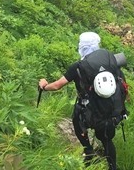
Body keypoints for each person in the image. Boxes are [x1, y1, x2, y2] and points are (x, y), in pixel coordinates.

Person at [39, 32, 123, 170]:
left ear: (81, 46)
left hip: (87, 111)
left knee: (77, 124)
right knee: (107, 140)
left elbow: (57, 85)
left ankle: (88, 151)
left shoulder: (78, 66)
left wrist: (44, 85)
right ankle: (112, 167)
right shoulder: (110, 60)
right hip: (109, 109)